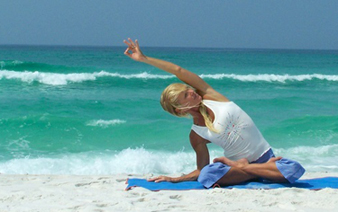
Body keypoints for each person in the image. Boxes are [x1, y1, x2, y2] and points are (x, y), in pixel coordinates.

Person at [123, 38, 305, 188]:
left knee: (294, 169)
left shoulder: (211, 97)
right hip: (239, 169)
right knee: (208, 175)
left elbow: (178, 71)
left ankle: (248, 170)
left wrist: (145, 59)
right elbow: (202, 171)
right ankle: (250, 171)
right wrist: (175, 179)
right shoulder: (197, 135)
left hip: (265, 159)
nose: (192, 91)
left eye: (188, 89)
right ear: (180, 109)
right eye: (186, 95)